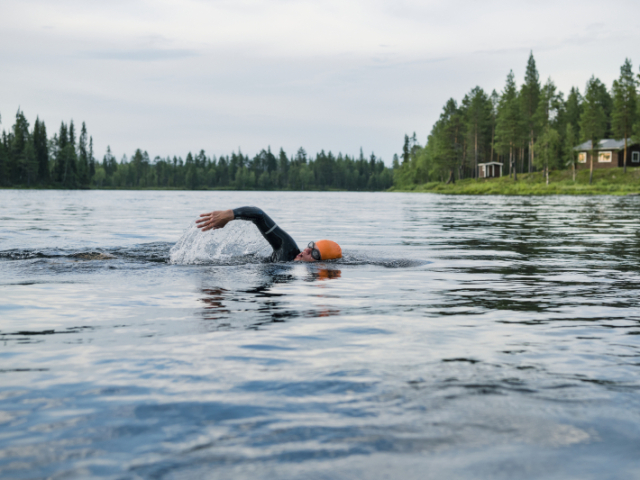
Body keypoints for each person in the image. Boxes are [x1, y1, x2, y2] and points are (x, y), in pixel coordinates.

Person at [196, 206, 342, 263]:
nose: (307, 250)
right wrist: (229, 215)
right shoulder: (289, 249)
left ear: (321, 265)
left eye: (315, 254)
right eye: (311, 245)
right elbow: (259, 215)